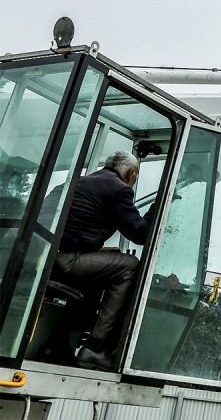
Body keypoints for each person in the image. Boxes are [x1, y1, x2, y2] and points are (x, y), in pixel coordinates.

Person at [54, 151, 154, 371]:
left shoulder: (77, 182)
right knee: (130, 266)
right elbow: (140, 235)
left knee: (109, 265)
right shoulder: (119, 190)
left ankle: (57, 343)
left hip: (43, 256)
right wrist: (156, 209)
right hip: (65, 260)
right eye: (135, 177)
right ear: (130, 173)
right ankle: (96, 348)